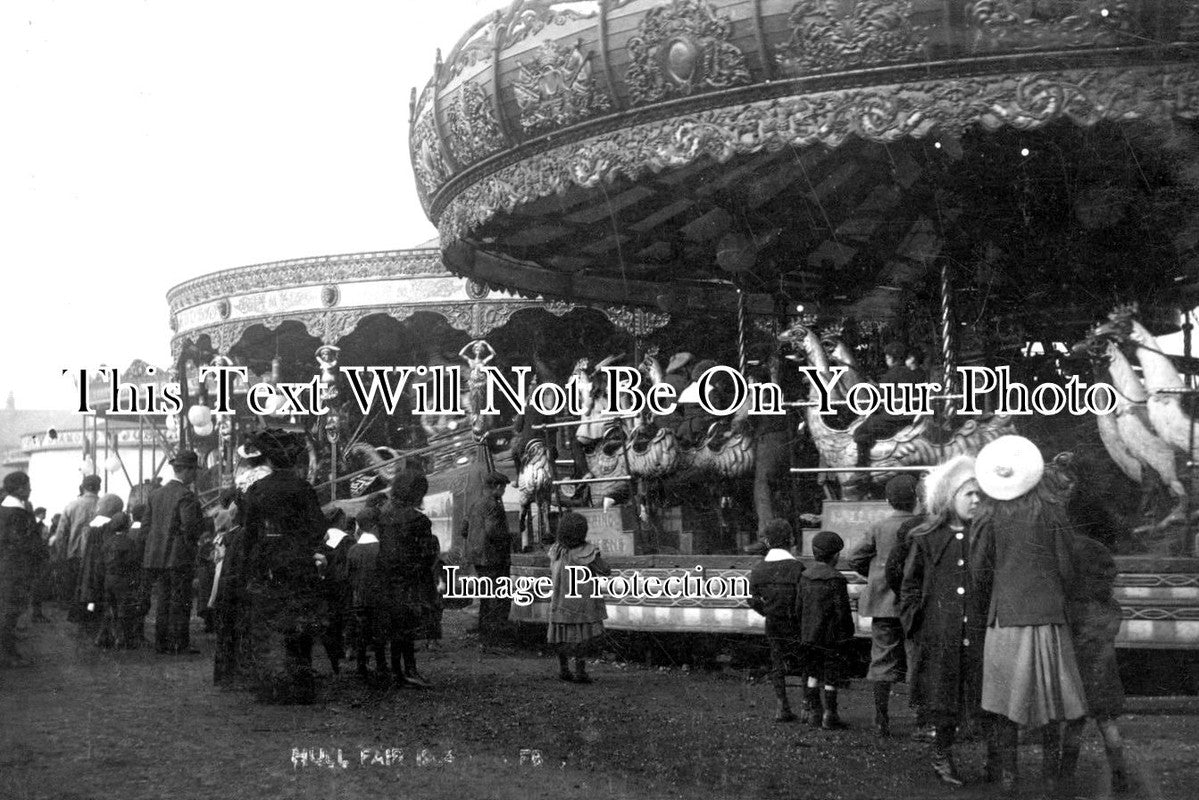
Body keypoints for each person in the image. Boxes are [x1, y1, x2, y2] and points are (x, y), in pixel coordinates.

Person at [971, 435, 1088, 793]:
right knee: (1053, 701)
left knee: (1005, 701)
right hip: (1048, 618)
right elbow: (1069, 567)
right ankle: (1051, 777)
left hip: (1005, 618)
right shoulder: (1052, 511)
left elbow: (978, 572)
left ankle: (1009, 777)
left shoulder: (987, 514)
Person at [900, 455, 986, 786]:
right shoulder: (926, 537)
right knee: (943, 698)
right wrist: (916, 625)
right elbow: (908, 585)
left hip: (976, 630)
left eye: (979, 494)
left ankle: (994, 761)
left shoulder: (983, 534)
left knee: (980, 695)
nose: (976, 500)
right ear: (950, 496)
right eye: (969, 494)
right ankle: (941, 755)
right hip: (940, 633)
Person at [239, 430, 326, 703]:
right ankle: (301, 687)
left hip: (267, 563)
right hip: (299, 563)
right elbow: (319, 528)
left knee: (268, 626)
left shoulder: (257, 490)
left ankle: (271, 687)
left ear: (269, 460)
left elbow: (248, 533)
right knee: (300, 624)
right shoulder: (304, 488)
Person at [847, 474, 919, 737]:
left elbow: (856, 558)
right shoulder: (924, 525)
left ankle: (881, 719)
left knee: (882, 659)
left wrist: (876, 576)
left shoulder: (878, 527)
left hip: (884, 603)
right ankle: (921, 720)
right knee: (916, 658)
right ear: (917, 498)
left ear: (888, 500)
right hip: (916, 605)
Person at [1063, 535, 1130, 793]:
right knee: (1108, 725)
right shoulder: (1111, 608)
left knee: (1074, 726)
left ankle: (1066, 776)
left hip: (1080, 676)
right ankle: (1120, 775)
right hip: (1106, 676)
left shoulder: (1074, 609)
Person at [379, 468, 441, 688]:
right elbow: (427, 555)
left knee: (396, 628)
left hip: (388, 581)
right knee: (408, 628)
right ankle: (410, 670)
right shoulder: (419, 521)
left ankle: (396, 671)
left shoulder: (384, 515)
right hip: (412, 581)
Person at [143, 451, 205, 655]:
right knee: (181, 601)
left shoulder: (155, 494)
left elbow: (146, 527)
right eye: (194, 471)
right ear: (186, 470)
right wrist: (192, 546)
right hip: (179, 558)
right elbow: (190, 527)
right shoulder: (186, 495)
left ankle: (161, 642)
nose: (195, 475)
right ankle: (179, 643)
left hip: (157, 558)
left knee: (163, 599)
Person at [748, 518, 805, 722]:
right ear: (790, 539)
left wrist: (767, 611)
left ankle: (782, 705)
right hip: (796, 622)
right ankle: (808, 706)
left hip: (772, 621)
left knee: (777, 662)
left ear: (768, 542)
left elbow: (752, 598)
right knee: (804, 661)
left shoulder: (758, 569)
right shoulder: (798, 567)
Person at [798, 530, 854, 729]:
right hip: (831, 637)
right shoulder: (836, 579)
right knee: (831, 675)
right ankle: (830, 715)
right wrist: (848, 633)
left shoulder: (804, 577)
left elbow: (799, 608)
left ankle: (815, 713)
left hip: (809, 636)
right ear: (836, 556)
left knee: (813, 673)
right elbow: (842, 612)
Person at [547, 511, 610, 684]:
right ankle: (580, 672)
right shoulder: (587, 551)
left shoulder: (556, 550)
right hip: (581, 605)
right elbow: (605, 569)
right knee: (581, 638)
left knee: (561, 637)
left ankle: (563, 669)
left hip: (560, 603)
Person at [852, 342, 923, 477]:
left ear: (893, 358)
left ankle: (861, 469)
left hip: (894, 418)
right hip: (910, 416)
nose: (886, 360)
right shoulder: (911, 373)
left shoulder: (890, 375)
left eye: (887, 357)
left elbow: (879, 399)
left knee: (860, 431)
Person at [461, 471, 513, 639]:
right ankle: (493, 636)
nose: (504, 492)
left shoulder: (475, 504)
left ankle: (484, 633)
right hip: (492, 557)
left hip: (478, 557)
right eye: (503, 488)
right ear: (497, 487)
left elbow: (464, 530)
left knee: (486, 596)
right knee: (497, 598)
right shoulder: (493, 505)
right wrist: (510, 538)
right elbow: (493, 531)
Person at [347, 500, 388, 683]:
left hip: (360, 598)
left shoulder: (353, 551)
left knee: (362, 633)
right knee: (379, 633)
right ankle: (381, 666)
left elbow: (349, 577)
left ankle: (361, 666)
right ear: (374, 526)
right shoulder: (382, 549)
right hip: (379, 599)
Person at [0, 472, 38, 667]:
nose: (30, 489)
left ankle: (8, 651)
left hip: (6, 566)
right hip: (15, 568)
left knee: (8, 609)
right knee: (10, 610)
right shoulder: (18, 513)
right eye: (28, 485)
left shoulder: (4, 510)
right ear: (19, 488)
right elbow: (23, 543)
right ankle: (7, 655)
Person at [79, 494, 125, 644]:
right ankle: (105, 631)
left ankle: (88, 621)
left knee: (90, 594)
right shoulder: (109, 526)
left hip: (89, 566)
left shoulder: (92, 525)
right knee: (102, 598)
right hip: (104, 568)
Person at [317, 507, 353, 675]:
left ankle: (334, 649)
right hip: (342, 583)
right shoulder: (346, 540)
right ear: (340, 520)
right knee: (344, 615)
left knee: (330, 616)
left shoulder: (322, 539)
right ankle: (345, 648)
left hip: (325, 582)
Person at [97, 511, 142, 649]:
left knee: (108, 608)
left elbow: (100, 564)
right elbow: (133, 563)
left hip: (108, 579)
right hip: (123, 580)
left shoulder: (107, 542)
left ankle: (102, 637)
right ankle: (121, 639)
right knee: (123, 610)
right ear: (126, 525)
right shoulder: (129, 543)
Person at [59, 475, 101, 621]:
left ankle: (76, 614)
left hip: (74, 552)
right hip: (97, 554)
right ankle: (91, 614)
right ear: (99, 487)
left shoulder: (71, 505)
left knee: (75, 584)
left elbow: (61, 533)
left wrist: (61, 554)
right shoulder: (103, 505)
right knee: (92, 585)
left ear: (83, 487)